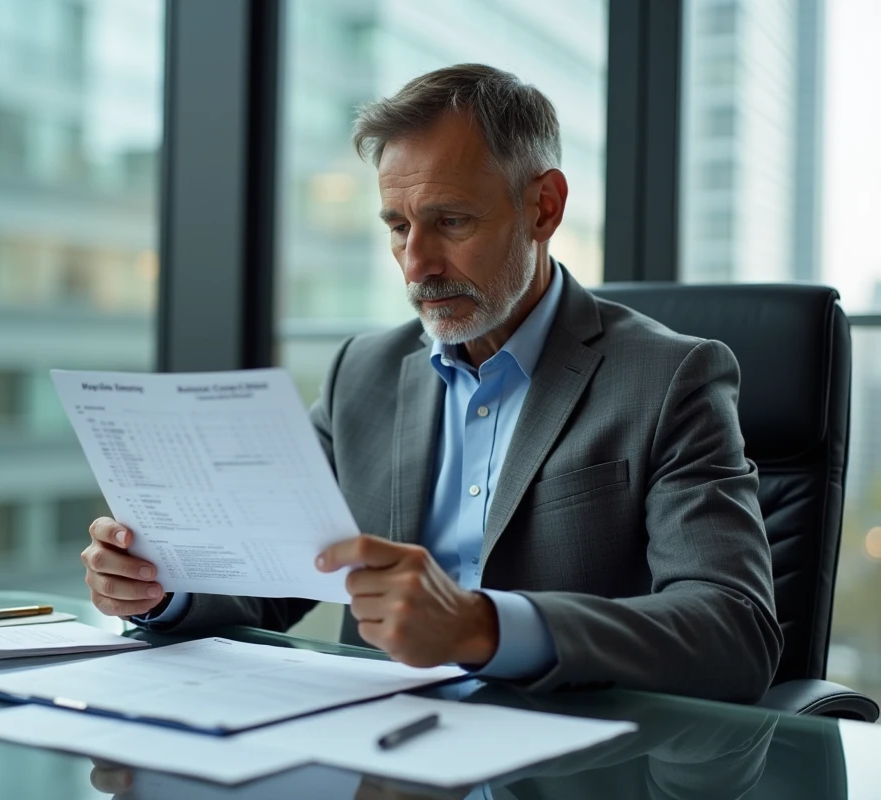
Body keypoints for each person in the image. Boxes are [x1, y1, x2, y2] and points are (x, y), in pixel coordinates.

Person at [80, 64, 782, 703]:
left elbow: (734, 630)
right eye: (397, 226)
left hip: (566, 761)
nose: (416, 265)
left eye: (451, 221)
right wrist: (159, 590)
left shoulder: (669, 377)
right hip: (379, 751)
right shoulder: (364, 372)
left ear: (543, 208)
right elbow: (273, 585)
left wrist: (487, 626)